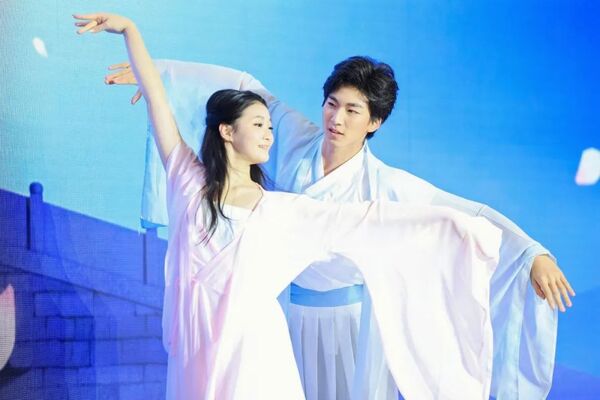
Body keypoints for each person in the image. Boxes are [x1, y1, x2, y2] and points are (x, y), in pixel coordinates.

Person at [100, 20, 574, 400]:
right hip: (283, 312)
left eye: (352, 111)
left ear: (375, 122)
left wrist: (530, 252)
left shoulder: (384, 185)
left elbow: (460, 214)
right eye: (332, 104)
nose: (336, 118)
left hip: (349, 324)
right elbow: (242, 88)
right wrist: (159, 72)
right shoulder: (291, 138)